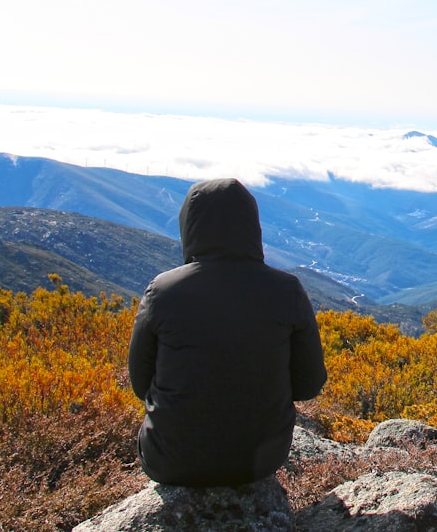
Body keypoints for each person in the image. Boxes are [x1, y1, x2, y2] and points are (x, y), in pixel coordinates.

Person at [128, 178, 327, 487]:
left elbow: (140, 384)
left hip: (170, 461)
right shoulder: (287, 290)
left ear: (189, 226)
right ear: (252, 226)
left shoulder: (163, 291)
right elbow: (308, 384)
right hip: (260, 461)